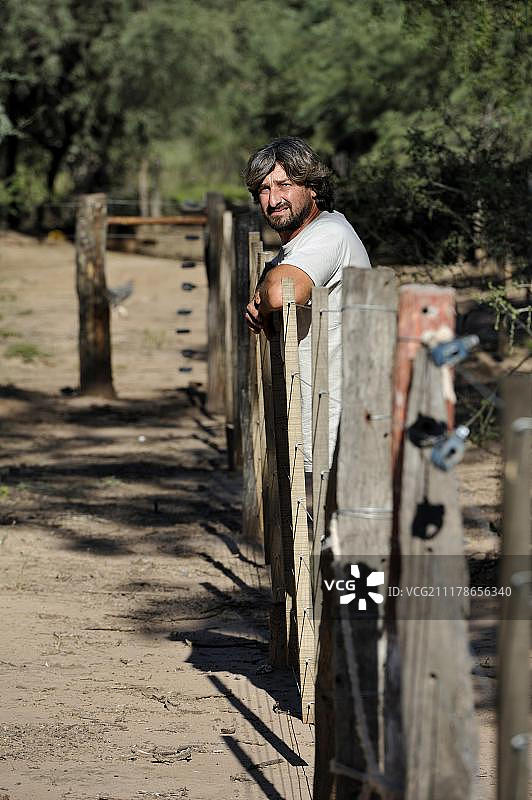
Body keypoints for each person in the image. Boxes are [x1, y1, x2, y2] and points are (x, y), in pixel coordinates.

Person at [243, 136, 371, 472]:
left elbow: (281, 291)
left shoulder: (328, 233)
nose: (274, 199)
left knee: (328, 524)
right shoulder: (303, 242)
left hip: (338, 426)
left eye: (284, 185)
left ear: (312, 187)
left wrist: (263, 290)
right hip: (322, 419)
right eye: (264, 190)